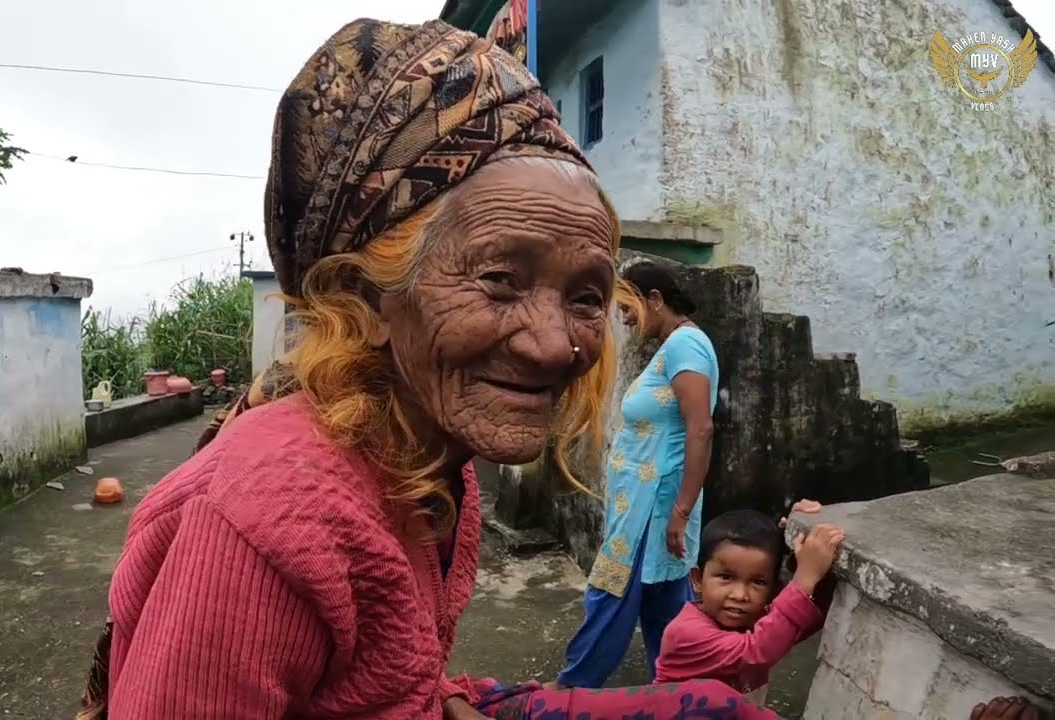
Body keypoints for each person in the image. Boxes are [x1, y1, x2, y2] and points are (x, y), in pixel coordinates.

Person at [76, 16, 783, 720]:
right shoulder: (268, 521)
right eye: (501, 279)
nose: (554, 345)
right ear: (365, 298)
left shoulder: (432, 464)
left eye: (587, 297)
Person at [552, 261, 720, 689]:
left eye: (628, 308)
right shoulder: (675, 347)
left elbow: (700, 428)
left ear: (655, 301)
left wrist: (680, 510)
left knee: (610, 595)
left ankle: (571, 687)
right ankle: (678, 690)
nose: (624, 319)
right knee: (664, 603)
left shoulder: (687, 346)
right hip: (646, 501)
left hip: (654, 506)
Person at [653, 509, 843, 703]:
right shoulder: (685, 633)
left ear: (774, 590)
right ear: (698, 579)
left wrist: (812, 557)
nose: (740, 595)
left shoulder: (756, 620)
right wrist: (804, 578)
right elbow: (756, 650)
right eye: (726, 578)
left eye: (758, 582)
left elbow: (808, 617)